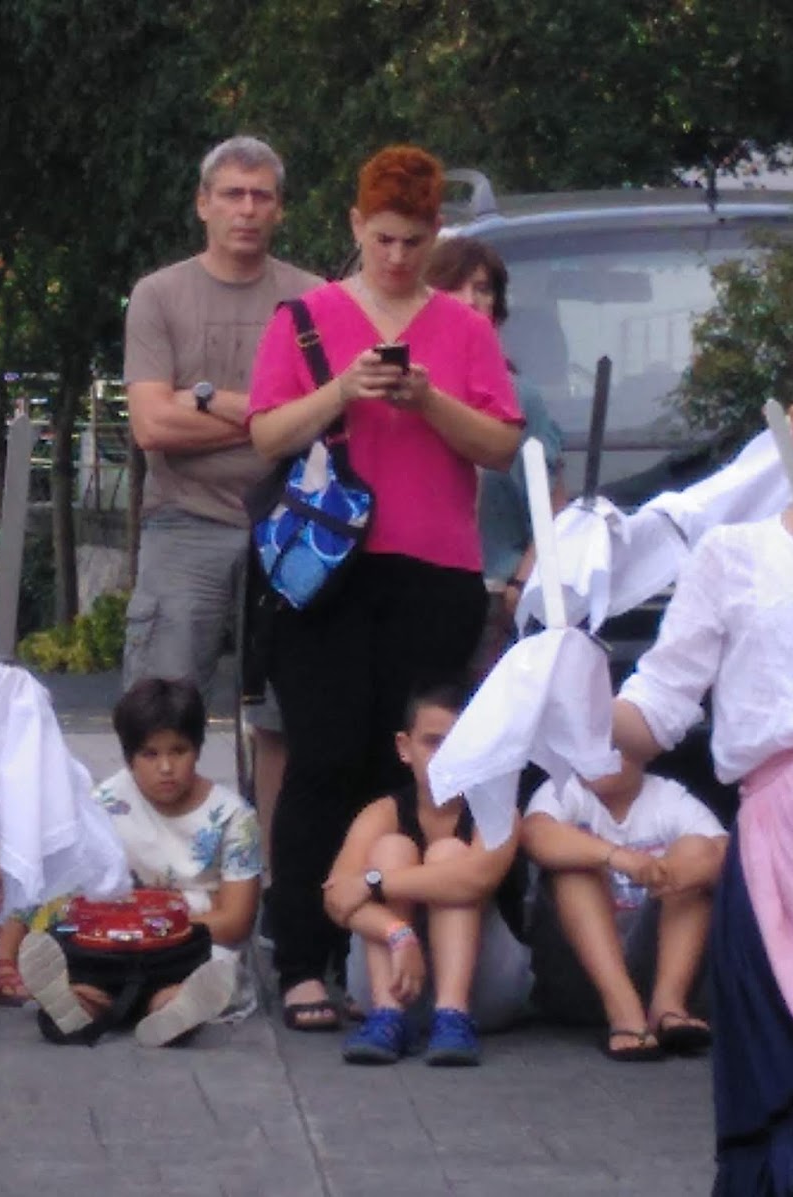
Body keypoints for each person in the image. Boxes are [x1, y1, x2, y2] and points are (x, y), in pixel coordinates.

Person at [247, 145, 522, 1031]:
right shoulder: (306, 317)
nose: (398, 257)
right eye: (384, 239)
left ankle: (390, 956)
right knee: (323, 758)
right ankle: (302, 960)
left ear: (436, 234)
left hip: (435, 571)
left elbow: (502, 445)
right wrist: (344, 389)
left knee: (404, 767)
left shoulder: (464, 329)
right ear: (356, 226)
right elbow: (265, 434)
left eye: (414, 241)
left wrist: (428, 400)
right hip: (330, 572)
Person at [612, 324, 793, 1193]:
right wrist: (568, 699)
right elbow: (657, 708)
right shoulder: (735, 555)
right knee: (788, 1113)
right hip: (780, 856)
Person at [123, 135, 323, 858]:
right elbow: (152, 426)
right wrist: (269, 416)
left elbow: (326, 419)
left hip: (293, 527)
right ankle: (158, 874)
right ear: (203, 204)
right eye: (232, 194)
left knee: (288, 719)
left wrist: (202, 400)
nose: (246, 209)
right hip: (186, 524)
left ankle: (272, 882)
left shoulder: (313, 299)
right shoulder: (159, 295)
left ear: (279, 209)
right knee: (160, 715)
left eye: (261, 195)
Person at [18, 677, 259, 1047]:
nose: (166, 767)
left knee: (206, 974)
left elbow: (236, 921)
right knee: (88, 975)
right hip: (113, 943)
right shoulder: (103, 804)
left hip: (188, 943)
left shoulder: (233, 816)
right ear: (129, 756)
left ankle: (172, 1009)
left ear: (198, 748)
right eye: (150, 754)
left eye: (178, 751)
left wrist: (155, 930)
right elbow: (75, 894)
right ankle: (77, 1005)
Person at [323, 683, 530, 1066]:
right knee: (391, 847)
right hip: (389, 984)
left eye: (461, 743)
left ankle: (453, 1014)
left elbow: (474, 879)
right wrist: (397, 933)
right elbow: (337, 898)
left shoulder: (497, 810)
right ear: (404, 747)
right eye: (433, 742)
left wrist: (374, 883)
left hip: (483, 992)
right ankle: (388, 1016)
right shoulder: (382, 812)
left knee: (448, 854)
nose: (446, 756)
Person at [521, 751, 725, 1060]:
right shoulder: (563, 789)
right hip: (577, 979)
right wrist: (618, 857)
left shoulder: (669, 796)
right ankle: (624, 1012)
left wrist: (674, 874)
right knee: (574, 866)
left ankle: (668, 1006)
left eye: (616, 744)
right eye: (592, 743)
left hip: (654, 968)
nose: (602, 754)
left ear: (644, 748)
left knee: (698, 855)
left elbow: (725, 853)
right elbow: (536, 835)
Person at [423, 236, 566, 649]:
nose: (469, 300)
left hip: (495, 597)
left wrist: (522, 582)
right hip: (417, 591)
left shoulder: (521, 397)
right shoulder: (404, 387)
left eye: (483, 289)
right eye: (454, 287)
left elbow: (555, 509)